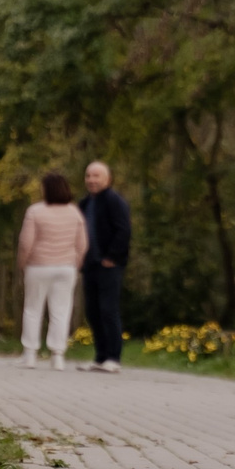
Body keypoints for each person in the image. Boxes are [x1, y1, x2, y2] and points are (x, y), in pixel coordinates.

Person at [17, 171, 88, 370]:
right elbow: (82, 244)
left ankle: (30, 354)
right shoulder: (74, 212)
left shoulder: (35, 211)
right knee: (61, 311)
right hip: (66, 268)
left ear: (47, 189)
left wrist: (22, 264)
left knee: (33, 309)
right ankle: (58, 356)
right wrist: (76, 263)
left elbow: (26, 243)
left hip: (38, 266)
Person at [80, 160, 132, 374]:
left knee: (108, 309)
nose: (91, 180)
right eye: (88, 176)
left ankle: (113, 357)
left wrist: (112, 257)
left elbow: (123, 230)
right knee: (92, 311)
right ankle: (100, 357)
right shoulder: (84, 203)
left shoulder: (114, 201)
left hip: (109, 265)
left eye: (96, 176)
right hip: (89, 264)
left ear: (107, 179)